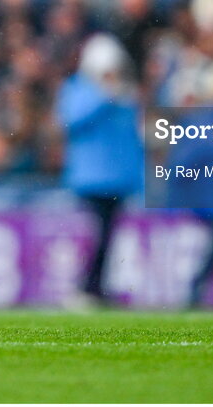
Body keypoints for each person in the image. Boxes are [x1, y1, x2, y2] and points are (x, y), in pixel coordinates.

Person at [56, 34, 143, 306]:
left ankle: (96, 287)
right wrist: (104, 97)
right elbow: (70, 120)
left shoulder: (125, 93)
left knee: (109, 237)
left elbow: (132, 138)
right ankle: (86, 287)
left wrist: (138, 179)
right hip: (90, 179)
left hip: (117, 179)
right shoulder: (80, 89)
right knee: (96, 235)